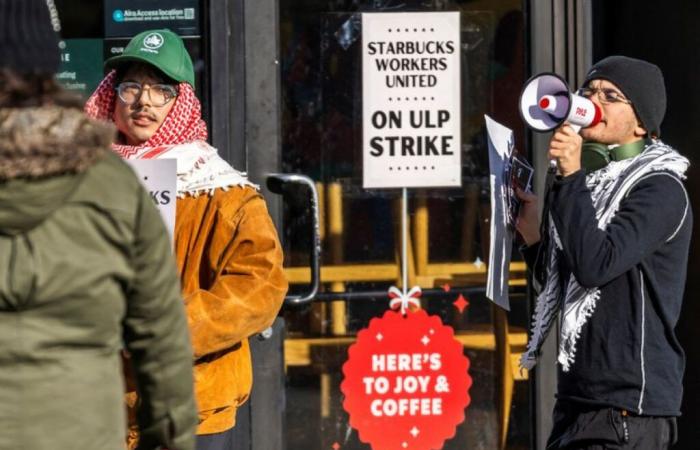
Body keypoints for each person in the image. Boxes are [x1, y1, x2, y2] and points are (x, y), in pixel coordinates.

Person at [0, 2, 197, 449]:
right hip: (84, 431)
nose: (144, 103)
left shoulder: (135, 182)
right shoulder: (111, 183)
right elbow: (162, 339)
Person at [84, 28, 288, 449]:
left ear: (182, 103)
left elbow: (261, 288)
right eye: (131, 87)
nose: (144, 102)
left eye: (161, 91)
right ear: (111, 95)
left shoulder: (220, 190)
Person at [515, 56, 691, 449]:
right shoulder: (589, 183)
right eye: (589, 91)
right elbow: (571, 274)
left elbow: (597, 265)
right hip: (578, 401)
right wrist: (531, 236)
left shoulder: (659, 188)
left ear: (641, 122)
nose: (594, 100)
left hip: (626, 409)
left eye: (611, 96)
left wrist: (571, 175)